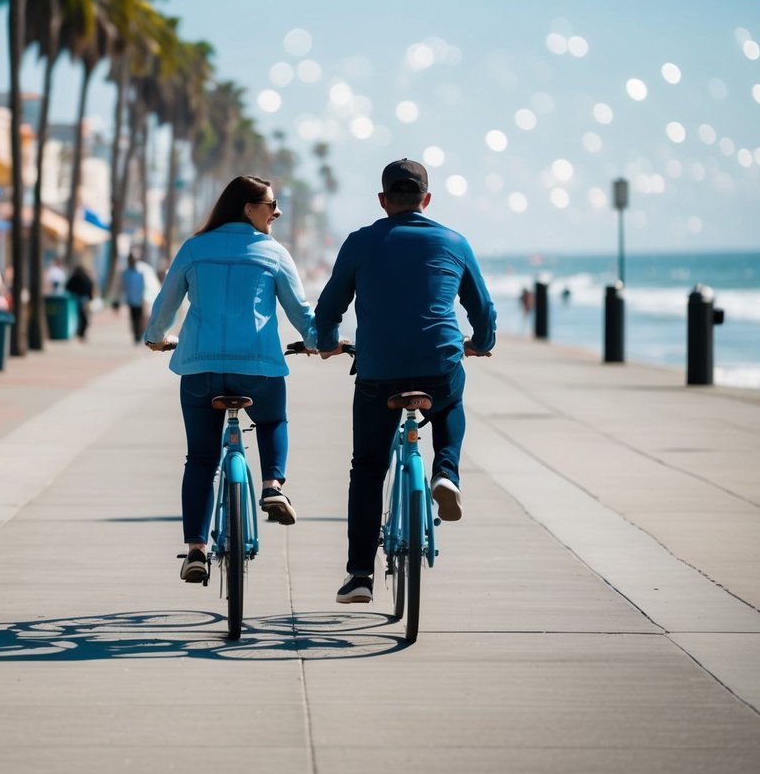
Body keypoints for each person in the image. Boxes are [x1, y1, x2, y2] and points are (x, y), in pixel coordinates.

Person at [314, 158, 496, 604]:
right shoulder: (454, 241)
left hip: (378, 373)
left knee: (368, 469)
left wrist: (326, 342)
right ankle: (446, 473)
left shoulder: (360, 242)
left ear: (383, 200)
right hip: (438, 367)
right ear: (427, 200)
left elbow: (330, 305)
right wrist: (481, 342)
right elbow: (483, 309)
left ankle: (359, 574)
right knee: (450, 402)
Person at [144, 175, 318, 584]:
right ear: (247, 208)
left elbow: (166, 302)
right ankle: (273, 485)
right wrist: (317, 342)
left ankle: (196, 550)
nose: (276, 212)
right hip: (257, 369)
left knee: (201, 459)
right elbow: (300, 310)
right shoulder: (273, 252)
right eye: (271, 204)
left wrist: (156, 338)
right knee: (273, 421)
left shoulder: (194, 247)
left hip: (200, 369)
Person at [116, 251, 149, 344]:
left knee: (138, 318)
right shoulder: (126, 273)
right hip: (132, 300)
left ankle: (138, 335)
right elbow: (122, 287)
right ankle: (136, 335)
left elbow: (144, 287)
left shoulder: (139, 273)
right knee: (134, 318)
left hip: (139, 299)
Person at [64, 261, 96, 341]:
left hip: (77, 298)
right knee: (84, 317)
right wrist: (91, 298)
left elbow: (67, 286)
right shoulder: (86, 277)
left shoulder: (75, 277)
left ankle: (79, 333)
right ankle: (81, 334)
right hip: (85, 299)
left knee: (80, 317)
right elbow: (91, 287)